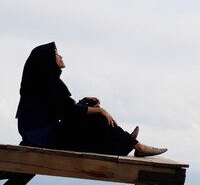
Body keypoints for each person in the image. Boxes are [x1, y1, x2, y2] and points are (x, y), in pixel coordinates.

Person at [16, 42, 167, 157]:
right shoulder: (48, 82)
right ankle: (135, 145)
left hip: (40, 134)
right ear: (46, 60)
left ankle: (126, 141)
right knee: (97, 119)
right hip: (41, 137)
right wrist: (99, 110)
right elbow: (68, 112)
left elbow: (62, 109)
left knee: (92, 118)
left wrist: (83, 102)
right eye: (56, 54)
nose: (60, 56)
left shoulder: (44, 81)